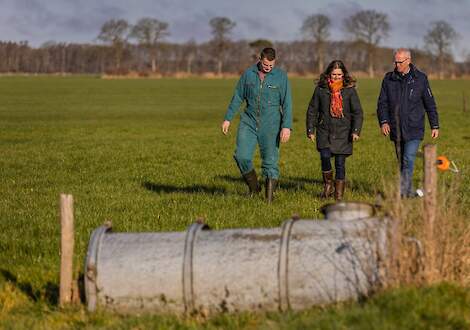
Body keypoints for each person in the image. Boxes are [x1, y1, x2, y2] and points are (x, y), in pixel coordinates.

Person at [221, 47, 292, 203]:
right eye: (266, 64)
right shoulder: (248, 74)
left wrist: (286, 126)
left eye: (271, 65)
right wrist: (228, 118)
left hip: (272, 123)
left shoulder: (281, 77)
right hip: (249, 121)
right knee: (241, 156)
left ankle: (268, 200)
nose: (268, 68)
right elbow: (238, 96)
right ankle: (254, 188)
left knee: (270, 161)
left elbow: (287, 103)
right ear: (260, 59)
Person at [377, 48, 439, 198]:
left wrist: (434, 125)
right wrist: (384, 122)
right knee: (402, 162)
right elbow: (382, 103)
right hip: (396, 128)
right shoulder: (388, 79)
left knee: (408, 158)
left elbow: (429, 103)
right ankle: (408, 190)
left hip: (414, 127)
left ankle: (403, 192)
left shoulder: (421, 79)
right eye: (395, 61)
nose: (397, 64)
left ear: (408, 60)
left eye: (400, 62)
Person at [306, 60, 363, 201]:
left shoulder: (350, 90)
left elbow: (358, 112)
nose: (336, 77)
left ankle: (338, 195)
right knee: (324, 156)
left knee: (339, 163)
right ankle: (328, 185)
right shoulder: (321, 89)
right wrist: (310, 130)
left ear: (343, 75)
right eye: (334, 74)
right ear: (328, 74)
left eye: (339, 74)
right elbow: (312, 110)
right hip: (324, 130)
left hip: (344, 132)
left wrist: (356, 131)